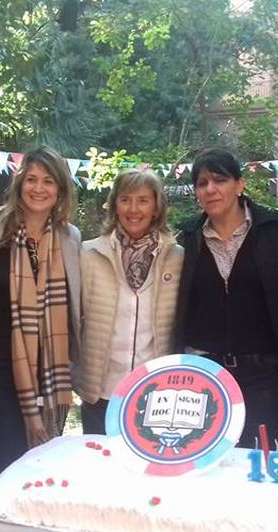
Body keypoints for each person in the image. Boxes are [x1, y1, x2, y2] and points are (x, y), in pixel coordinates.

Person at [0, 145, 81, 473]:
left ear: (60, 189)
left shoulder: (70, 238)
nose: (38, 188)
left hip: (51, 378)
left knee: (41, 475)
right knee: (10, 473)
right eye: (31, 179)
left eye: (48, 181)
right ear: (19, 183)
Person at [174, 148, 278, 447]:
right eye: (202, 183)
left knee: (256, 454)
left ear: (239, 184)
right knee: (204, 452)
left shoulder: (273, 229)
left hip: (261, 371)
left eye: (220, 180)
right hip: (202, 370)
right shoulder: (186, 239)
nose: (210, 189)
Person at [78, 169, 184, 433]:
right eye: (125, 199)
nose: (133, 209)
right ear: (115, 204)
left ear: (156, 208)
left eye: (143, 200)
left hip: (157, 393)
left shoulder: (178, 258)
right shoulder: (88, 254)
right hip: (100, 392)